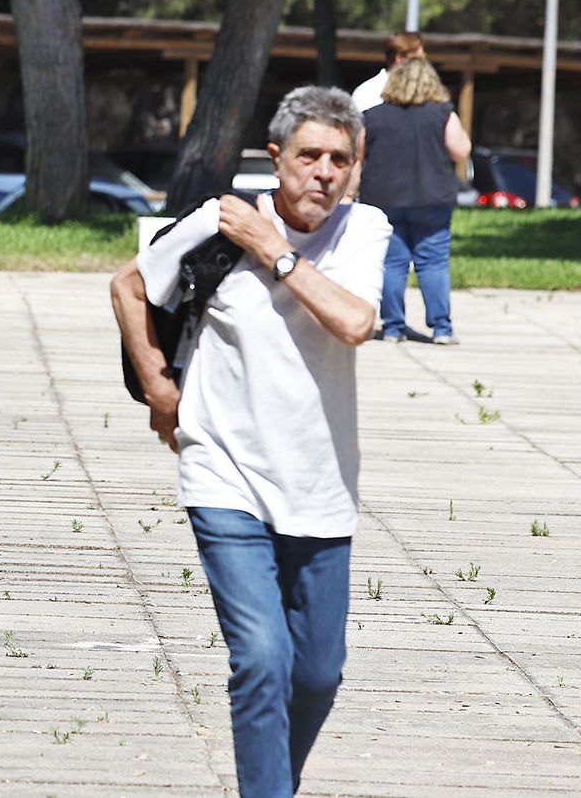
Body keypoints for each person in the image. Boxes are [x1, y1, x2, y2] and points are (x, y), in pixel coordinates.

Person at [111, 86, 392, 798]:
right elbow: (128, 286)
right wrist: (161, 390)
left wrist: (277, 255)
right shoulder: (220, 222)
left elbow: (355, 322)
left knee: (318, 671)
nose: (323, 172)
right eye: (308, 156)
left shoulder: (364, 231)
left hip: (322, 485)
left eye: (339, 158)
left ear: (355, 164)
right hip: (223, 471)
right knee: (263, 657)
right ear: (276, 158)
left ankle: (273, 783)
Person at [358, 56, 471, 345]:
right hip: (432, 198)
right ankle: (441, 328)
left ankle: (394, 327)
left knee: (392, 264)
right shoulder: (443, 114)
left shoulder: (373, 115)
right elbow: (461, 149)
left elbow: (356, 154)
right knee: (432, 262)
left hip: (384, 198)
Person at [350, 31, 424, 114]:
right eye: (418, 58)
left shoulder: (426, 91)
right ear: (399, 59)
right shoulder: (366, 93)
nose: (423, 63)